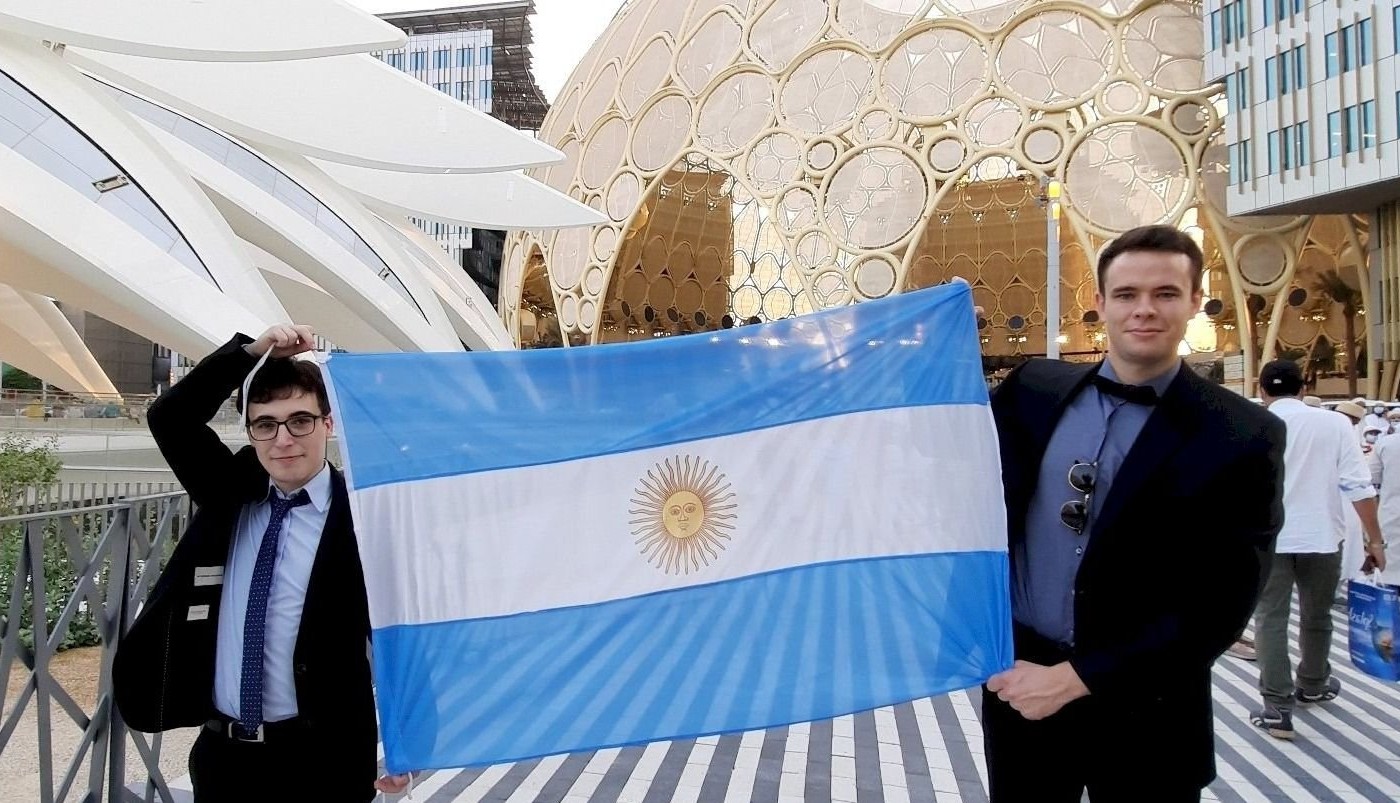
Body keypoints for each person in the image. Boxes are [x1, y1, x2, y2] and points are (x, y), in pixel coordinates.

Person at [983, 225, 1285, 802]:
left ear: (1194, 301)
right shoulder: (1033, 389)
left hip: (1150, 708)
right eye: (1126, 294)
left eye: (1165, 293)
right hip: (1021, 687)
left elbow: (1222, 602)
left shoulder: (1243, 434)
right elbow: (946, 462)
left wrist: (1078, 678)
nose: (1144, 309)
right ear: (1099, 303)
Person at [113, 325, 407, 801]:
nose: (283, 439)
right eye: (265, 425)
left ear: (329, 424)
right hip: (224, 760)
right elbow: (171, 417)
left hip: (325, 761)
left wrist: (406, 743)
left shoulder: (362, 519)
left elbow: (397, 637)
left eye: (300, 421)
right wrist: (250, 353)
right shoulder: (228, 493)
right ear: (251, 433)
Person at [1252, 359, 1386, 740]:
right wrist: (1375, 540)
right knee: (1317, 614)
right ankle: (1312, 682)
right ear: (1304, 389)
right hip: (1324, 536)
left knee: (1270, 618)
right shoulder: (1335, 424)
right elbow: (1359, 485)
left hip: (1271, 539)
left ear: (1262, 390)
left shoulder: (1254, 423)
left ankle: (1277, 706)